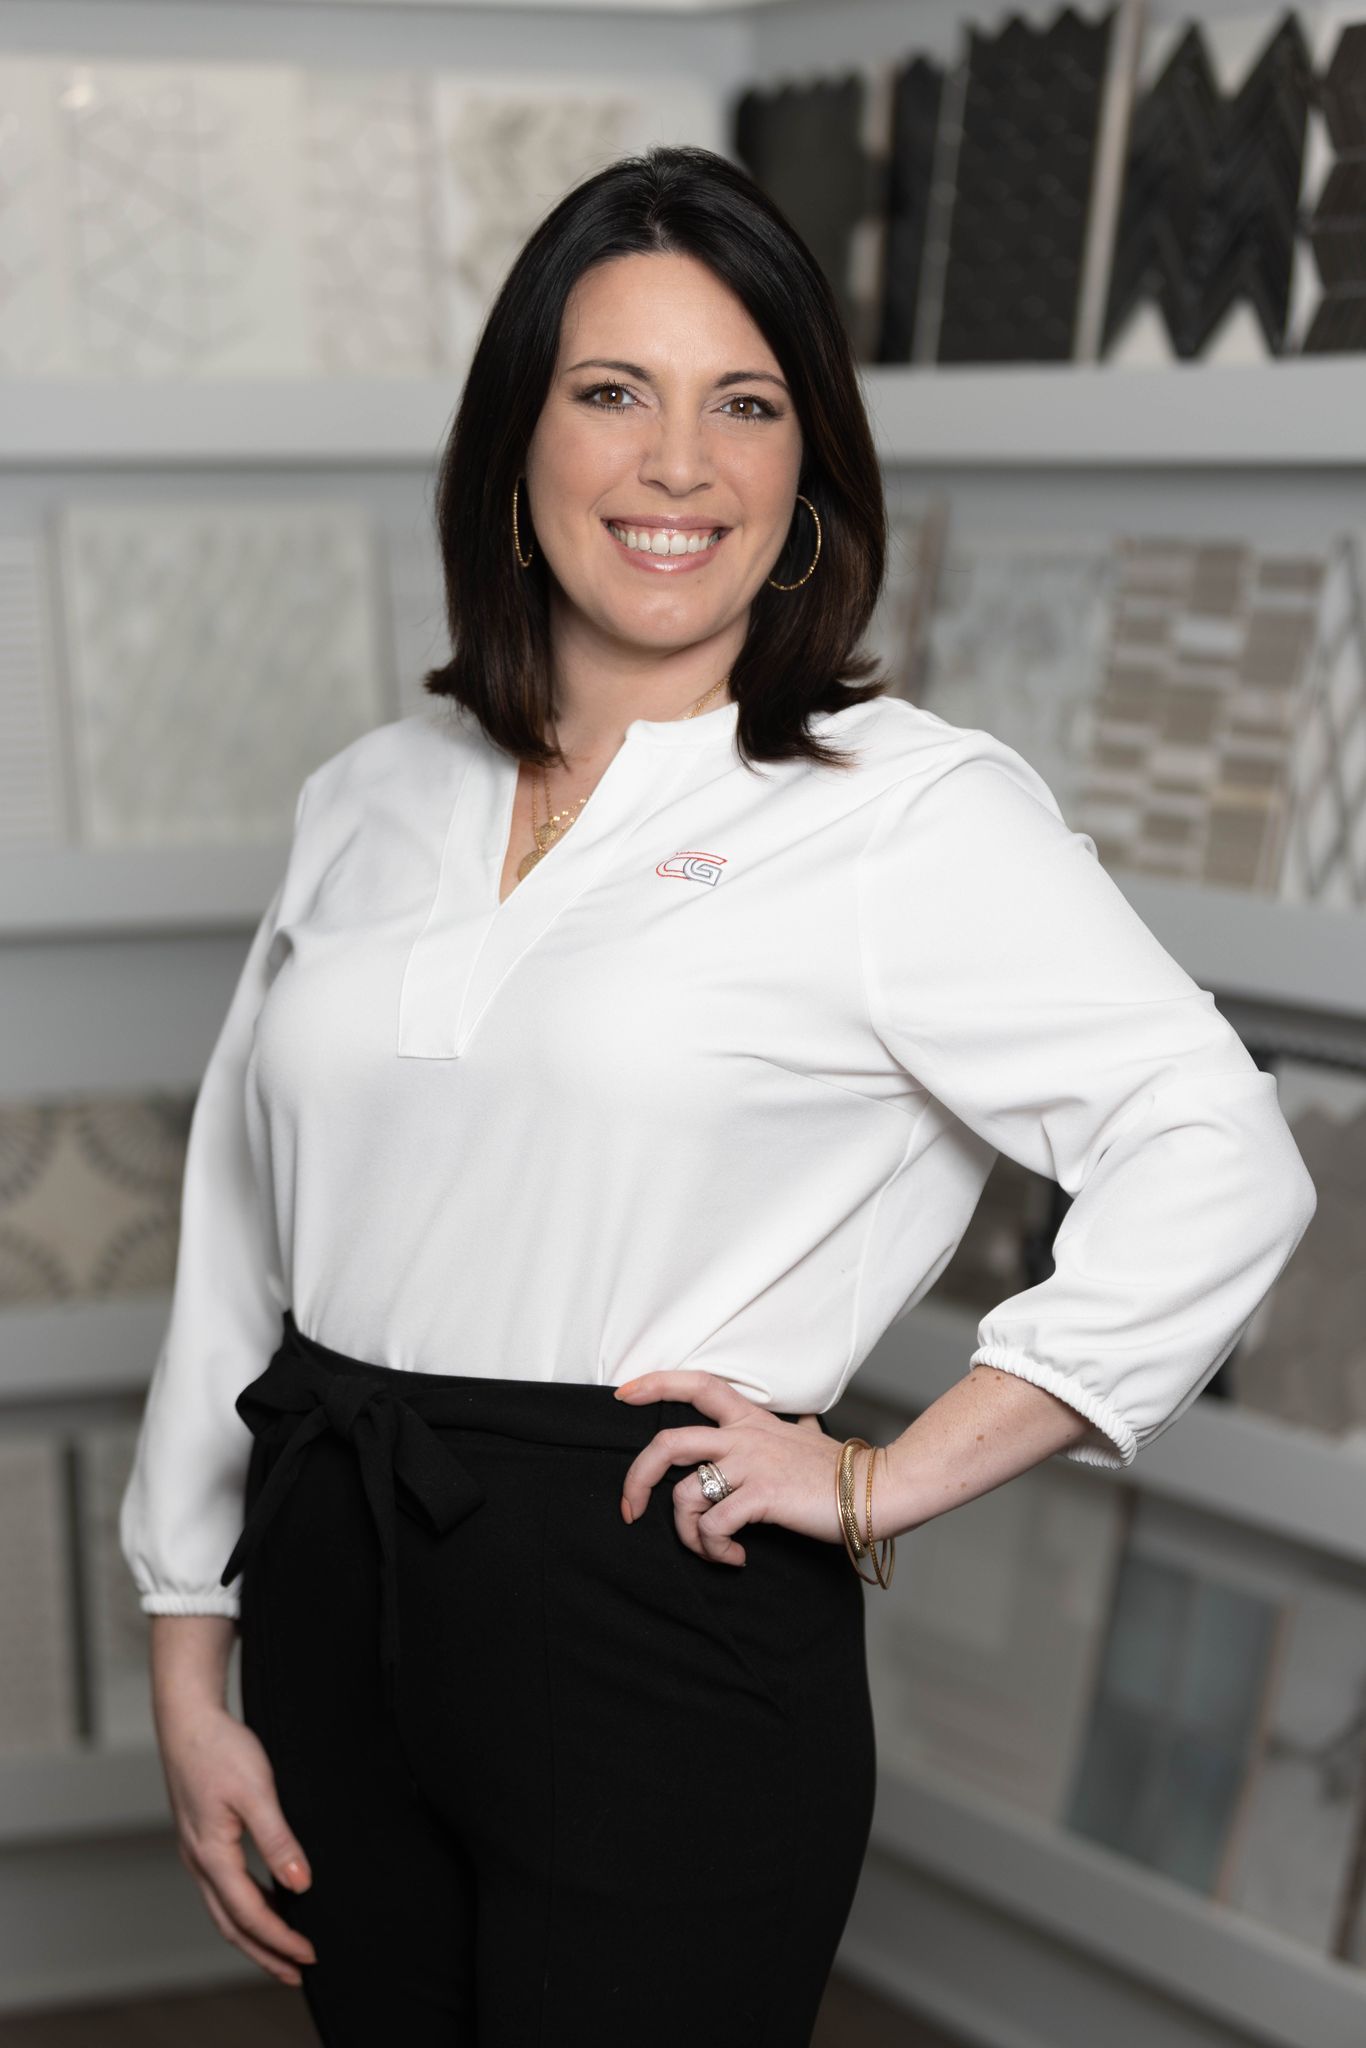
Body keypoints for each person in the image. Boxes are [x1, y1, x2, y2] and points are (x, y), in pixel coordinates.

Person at [119, 143, 1317, 2046]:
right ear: (516, 452)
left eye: (743, 404)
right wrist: (194, 1661)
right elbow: (235, 1246)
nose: (679, 464)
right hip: (336, 1585)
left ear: (806, 476)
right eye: (614, 393)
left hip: (654, 1616)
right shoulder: (370, 793)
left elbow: (1221, 1156)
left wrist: (876, 1479)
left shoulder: (907, 812)